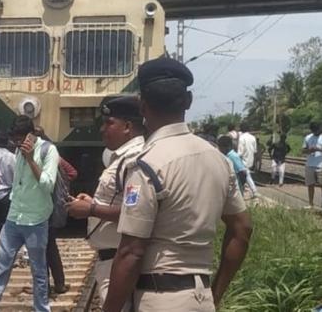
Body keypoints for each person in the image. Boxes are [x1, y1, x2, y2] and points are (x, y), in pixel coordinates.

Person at [103, 57, 252, 312]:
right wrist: (214, 295)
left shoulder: (147, 165)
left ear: (142, 105)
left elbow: (131, 253)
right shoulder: (218, 160)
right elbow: (242, 229)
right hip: (201, 299)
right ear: (189, 101)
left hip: (159, 298)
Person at [66, 95, 145, 303]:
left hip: (120, 261)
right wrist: (93, 202)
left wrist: (91, 210)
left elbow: (136, 212)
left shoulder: (134, 159)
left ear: (127, 126)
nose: (102, 129)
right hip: (113, 260)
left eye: (109, 123)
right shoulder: (123, 157)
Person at [0, 115, 60, 312]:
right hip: (14, 217)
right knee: (2, 266)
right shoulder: (17, 151)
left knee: (39, 270)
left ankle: (41, 308)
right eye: (15, 140)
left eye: (20, 139)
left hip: (36, 220)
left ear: (31, 134)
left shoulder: (48, 150)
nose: (17, 143)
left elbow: (47, 184)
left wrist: (30, 158)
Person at [33, 125, 76, 295]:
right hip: (49, 207)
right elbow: (72, 173)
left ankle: (46, 286)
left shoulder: (39, 157)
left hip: (42, 208)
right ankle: (58, 283)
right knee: (49, 247)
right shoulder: (55, 156)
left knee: (41, 248)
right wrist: (62, 184)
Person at [302, 122, 322, 208]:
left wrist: (318, 149)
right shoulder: (308, 137)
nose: (315, 132)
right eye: (314, 130)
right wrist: (309, 150)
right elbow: (303, 150)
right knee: (310, 185)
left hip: (321, 165)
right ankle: (310, 204)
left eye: (317, 130)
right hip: (310, 164)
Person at [237, 122, 258, 197]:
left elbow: (240, 152)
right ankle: (250, 191)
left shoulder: (242, 138)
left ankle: (254, 191)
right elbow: (255, 151)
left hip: (243, 160)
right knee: (246, 175)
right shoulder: (253, 137)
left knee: (246, 176)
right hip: (250, 160)